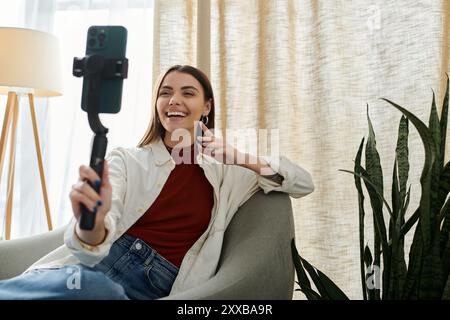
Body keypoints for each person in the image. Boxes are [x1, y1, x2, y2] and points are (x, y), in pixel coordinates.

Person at [0, 65, 314, 300]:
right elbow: (91, 247)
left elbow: (302, 183)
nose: (174, 100)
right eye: (166, 92)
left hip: (152, 285)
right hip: (91, 269)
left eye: (188, 93)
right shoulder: (127, 160)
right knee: (93, 285)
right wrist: (91, 222)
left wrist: (237, 155)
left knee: (99, 291)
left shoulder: (229, 172)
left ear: (207, 107)